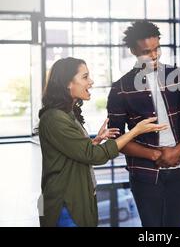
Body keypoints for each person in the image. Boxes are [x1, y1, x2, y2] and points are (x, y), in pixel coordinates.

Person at [38, 57, 167, 227]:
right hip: (66, 204)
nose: (90, 82)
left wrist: (93, 142)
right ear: (67, 83)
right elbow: (94, 156)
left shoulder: (67, 114)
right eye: (85, 77)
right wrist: (135, 131)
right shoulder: (55, 118)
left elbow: (75, 151)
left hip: (76, 201)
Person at [107, 20, 180, 227]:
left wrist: (177, 151)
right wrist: (155, 155)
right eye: (146, 51)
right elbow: (117, 137)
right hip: (144, 173)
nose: (154, 55)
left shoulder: (179, 77)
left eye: (157, 48)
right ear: (133, 50)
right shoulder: (120, 88)